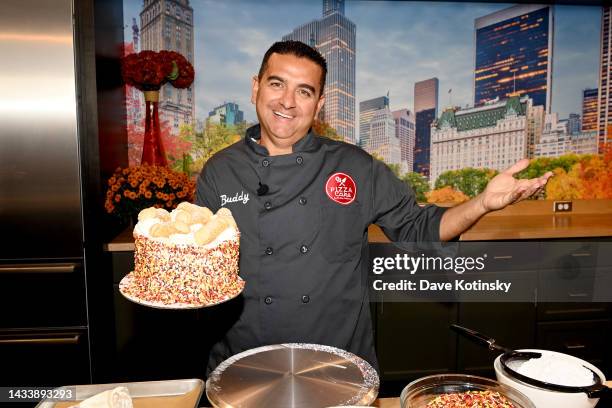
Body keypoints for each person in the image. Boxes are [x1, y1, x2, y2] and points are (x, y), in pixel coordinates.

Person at [196, 40, 552, 374]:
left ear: (318, 104)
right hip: (246, 364)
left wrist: (482, 204)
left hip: (335, 364)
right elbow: (201, 272)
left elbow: (418, 227)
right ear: (255, 87)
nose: (287, 102)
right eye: (277, 84)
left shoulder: (354, 166)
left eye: (304, 91)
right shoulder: (219, 171)